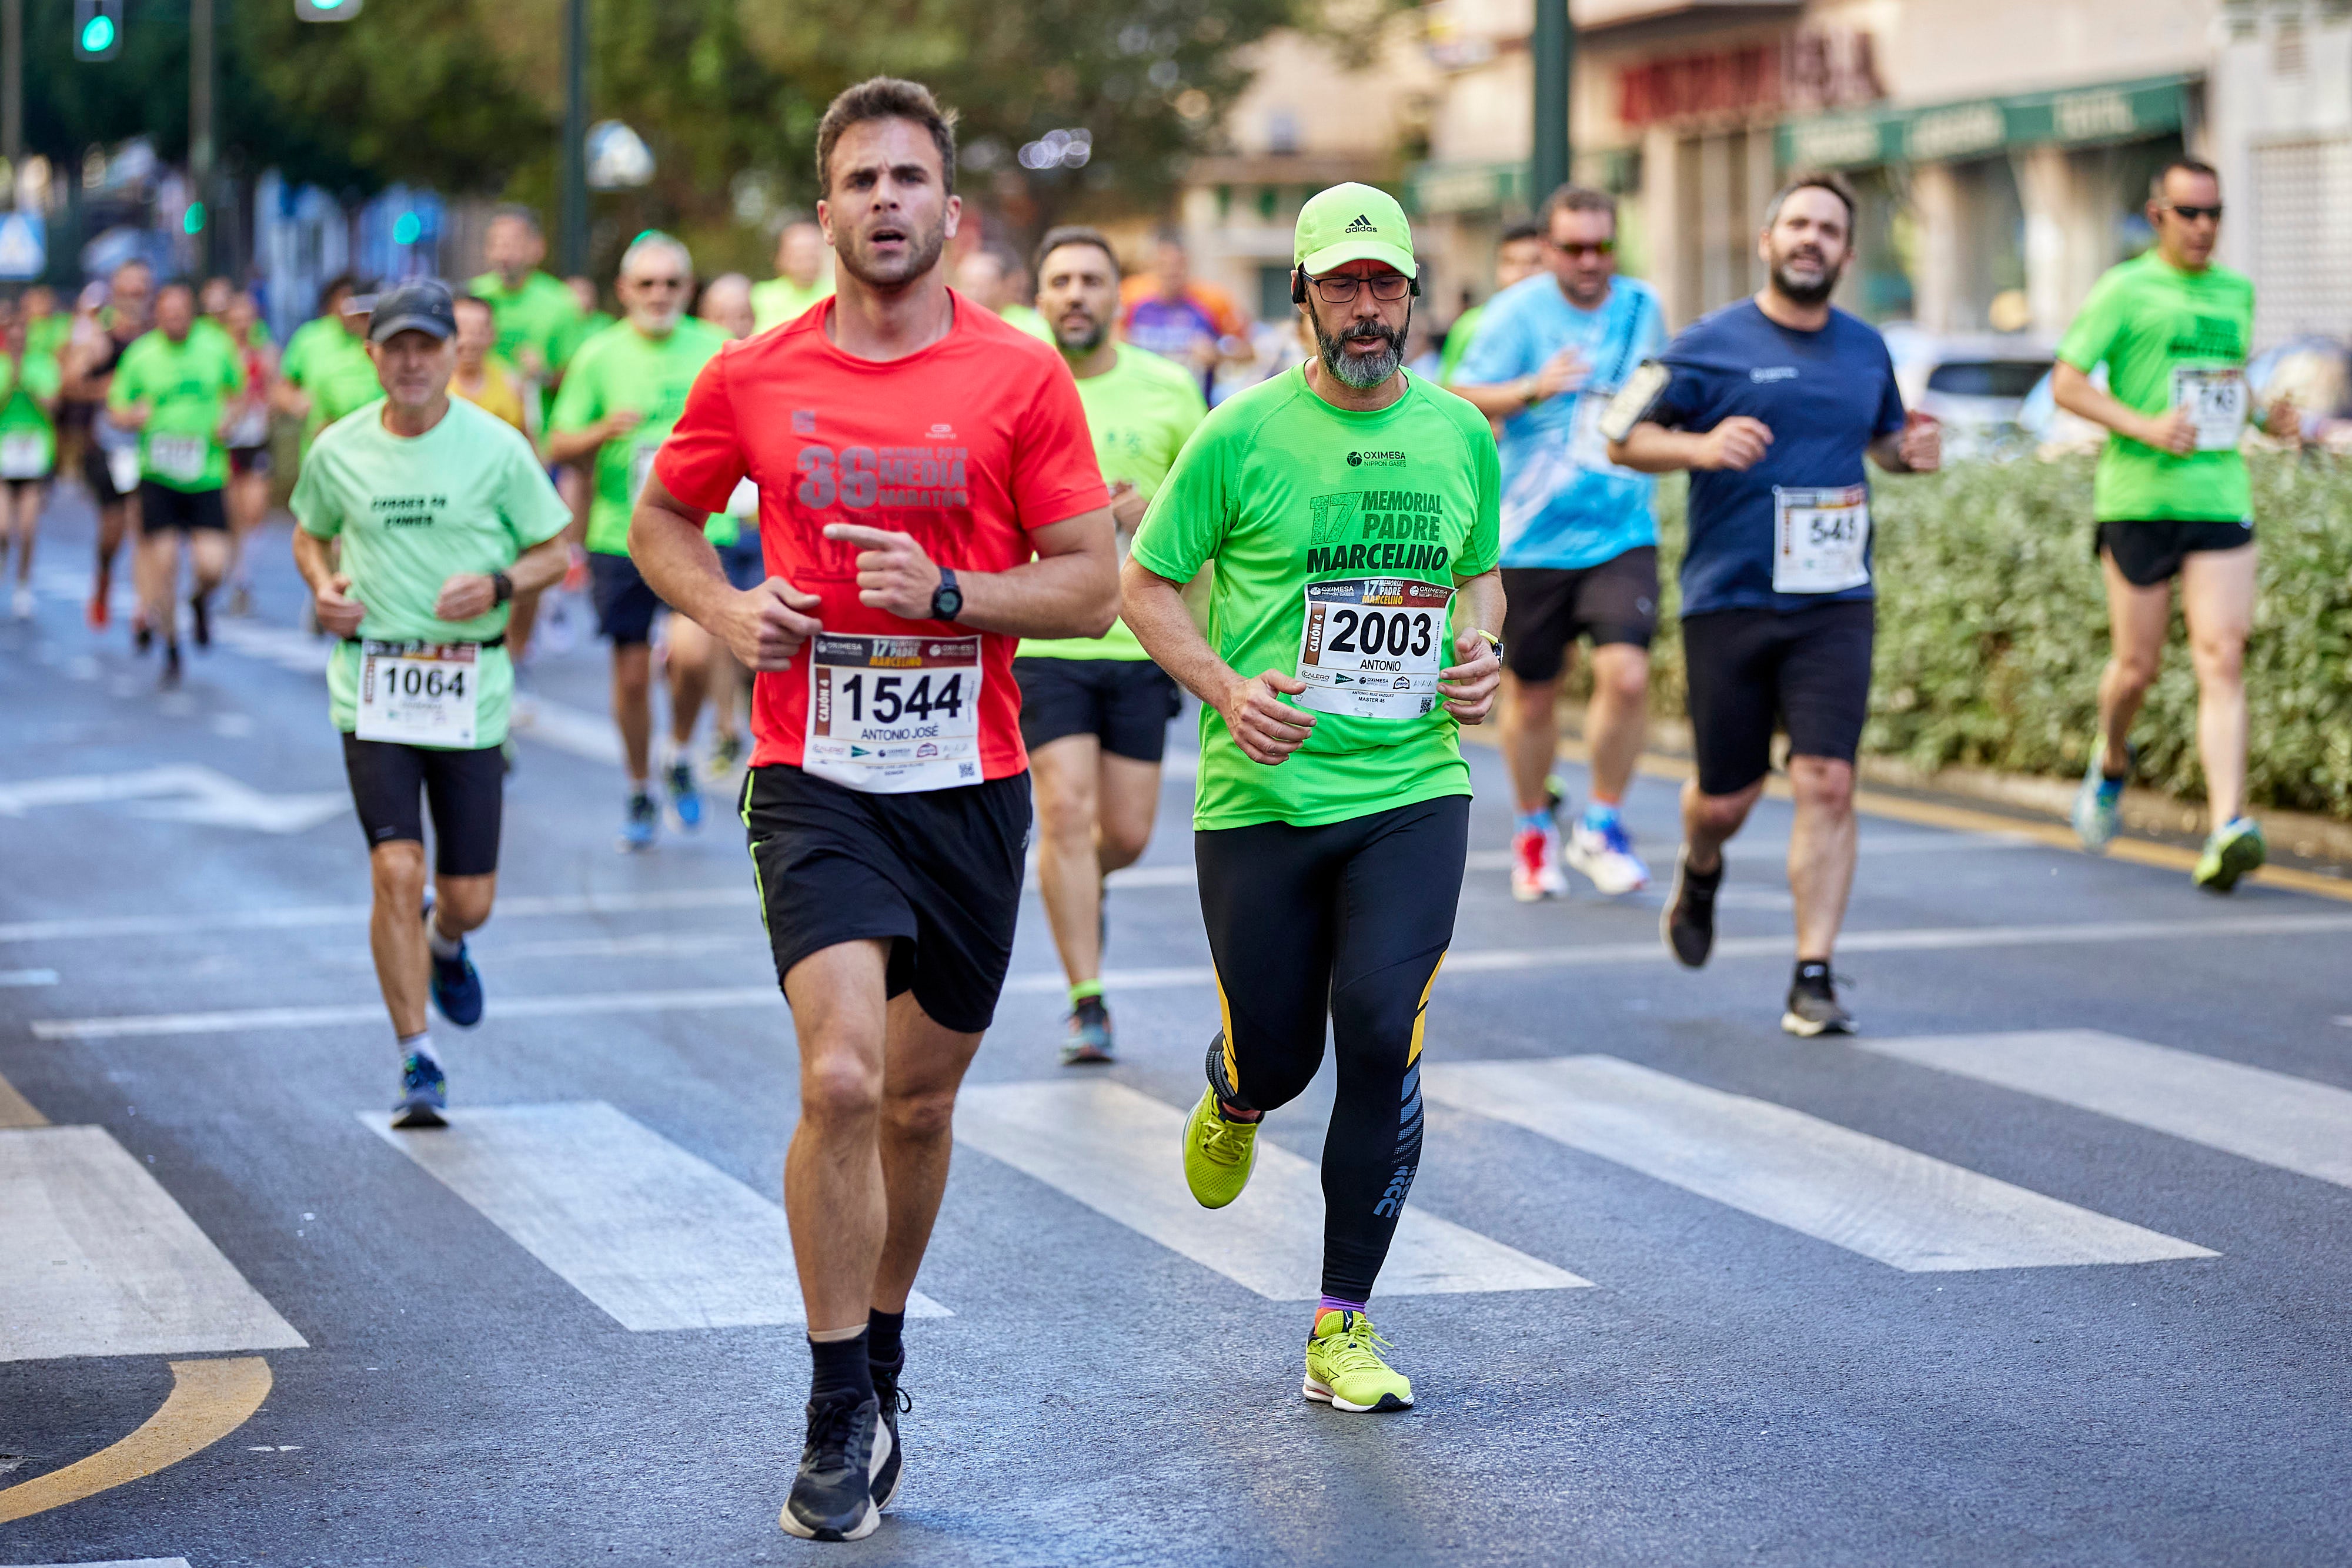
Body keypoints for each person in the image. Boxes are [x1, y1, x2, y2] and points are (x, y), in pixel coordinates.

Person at [629, 76, 1115, 1541]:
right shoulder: (752, 375)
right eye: (861, 181)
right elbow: (662, 516)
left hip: (968, 783)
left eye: (910, 178)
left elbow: (1090, 580)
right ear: (826, 212)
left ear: (949, 214)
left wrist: (954, 594)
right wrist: (720, 604)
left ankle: (885, 1342)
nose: (887, 201)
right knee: (839, 1080)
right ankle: (835, 1405)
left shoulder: (1022, 378)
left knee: (917, 1098)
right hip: (814, 773)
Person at [1122, 182, 1505, 1416]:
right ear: (1299, 297)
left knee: (1381, 1028)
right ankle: (1235, 1085)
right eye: (1339, 285)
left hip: (1410, 784)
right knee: (1282, 1056)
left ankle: (1342, 1320)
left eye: (1382, 284)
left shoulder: (1458, 433)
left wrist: (1480, 652)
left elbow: (1477, 574)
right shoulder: (1236, 437)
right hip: (1263, 795)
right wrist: (1228, 691)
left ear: (1410, 295)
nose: (1363, 307)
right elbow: (1146, 588)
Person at [1606, 172, 1940, 1036]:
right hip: (1733, 599)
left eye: (1828, 229)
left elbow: (1885, 444)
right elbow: (1620, 431)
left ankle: (1813, 972)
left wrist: (1912, 452)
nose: (1810, 239)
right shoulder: (1708, 343)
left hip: (1835, 601)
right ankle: (1702, 859)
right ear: (1768, 240)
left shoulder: (1867, 349)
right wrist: (1701, 444)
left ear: (1847, 253)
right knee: (1729, 795)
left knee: (1828, 779)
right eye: (1797, 223)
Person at [290, 279, 571, 1128]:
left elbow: (555, 550)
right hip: (373, 685)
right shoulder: (337, 449)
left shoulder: (496, 447)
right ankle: (420, 1056)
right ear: (371, 355)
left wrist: (497, 580)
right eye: (395, 346)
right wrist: (322, 583)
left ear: (455, 354)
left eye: (427, 346)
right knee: (394, 869)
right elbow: (310, 529)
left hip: (469, 689)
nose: (411, 361)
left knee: (469, 893)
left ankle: (447, 941)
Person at [2053, 159, 2288, 894]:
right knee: (2137, 669)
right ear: (2157, 216)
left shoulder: (2235, 292)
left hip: (2218, 495)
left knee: (2222, 656)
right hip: (2138, 500)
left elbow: (2227, 383)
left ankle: (2227, 827)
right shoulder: (2123, 290)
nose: (2204, 227)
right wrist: (2144, 427)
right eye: (2189, 213)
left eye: (2214, 212)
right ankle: (2111, 759)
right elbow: (2066, 383)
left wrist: (2263, 416)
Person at [1017, 225, 1206, 1064]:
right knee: (1064, 810)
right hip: (1044, 633)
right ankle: (1086, 998)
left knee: (1123, 833)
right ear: (1041, 296)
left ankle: (1075, 883)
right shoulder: (1015, 382)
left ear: (1115, 296)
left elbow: (1213, 517)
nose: (1076, 295)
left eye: (1091, 280)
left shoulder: (1170, 390)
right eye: (1060, 281)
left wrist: (1145, 515)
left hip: (1141, 641)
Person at [1454, 186, 1666, 901]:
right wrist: (1533, 388)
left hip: (1621, 528)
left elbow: (1662, 387)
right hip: (1531, 534)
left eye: (1601, 247)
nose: (1588, 261)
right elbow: (1460, 398)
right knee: (1535, 700)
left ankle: (1602, 822)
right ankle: (1532, 830)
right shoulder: (1515, 315)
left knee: (1627, 676)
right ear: (1547, 250)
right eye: (1573, 248)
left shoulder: (1642, 307)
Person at [545, 233, 730, 848]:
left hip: (705, 527)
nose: (659, 295)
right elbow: (557, 444)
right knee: (629, 676)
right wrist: (601, 429)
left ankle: (679, 749)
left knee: (695, 655)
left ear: (689, 288)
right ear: (625, 291)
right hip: (619, 536)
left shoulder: (717, 349)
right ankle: (638, 785)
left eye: (671, 284)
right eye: (646, 285)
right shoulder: (599, 354)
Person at [108, 281, 246, 684]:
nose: (174, 322)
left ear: (191, 313)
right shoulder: (141, 354)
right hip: (158, 474)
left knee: (212, 565)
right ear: (158, 316)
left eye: (181, 314)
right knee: (164, 563)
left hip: (205, 472)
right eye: (166, 315)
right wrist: (132, 416)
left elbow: (239, 394)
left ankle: (200, 602)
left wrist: (231, 418)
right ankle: (171, 645)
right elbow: (116, 408)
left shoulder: (216, 346)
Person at [691, 273, 763, 775]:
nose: (733, 325)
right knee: (718, 630)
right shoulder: (694, 373)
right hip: (712, 526)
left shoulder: (772, 371)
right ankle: (724, 727)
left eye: (742, 315)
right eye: (722, 315)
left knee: (761, 629)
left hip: (761, 526)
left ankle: (757, 723)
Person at [63, 261, 154, 630]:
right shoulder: (100, 339)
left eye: (143, 291)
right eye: (130, 291)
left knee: (145, 521)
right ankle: (103, 573)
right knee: (115, 528)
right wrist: (107, 389)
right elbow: (67, 384)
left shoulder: (157, 338)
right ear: (116, 294)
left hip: (150, 444)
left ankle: (143, 604)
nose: (137, 299)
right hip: (111, 446)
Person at [1120, 230, 1251, 401]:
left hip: (1195, 405)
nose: (1170, 272)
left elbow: (1248, 352)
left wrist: (1217, 352)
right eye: (1162, 264)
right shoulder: (1130, 296)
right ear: (1149, 265)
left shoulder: (1213, 300)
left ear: (1188, 263)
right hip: (1142, 404)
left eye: (1177, 265)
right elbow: (1110, 345)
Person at [470, 208, 584, 397]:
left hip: (536, 423)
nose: (503, 254)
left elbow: (577, 378)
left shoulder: (561, 303)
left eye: (513, 244)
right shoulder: (473, 297)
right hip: (480, 416)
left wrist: (544, 375)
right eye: (495, 244)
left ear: (537, 248)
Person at [218, 290, 278, 617]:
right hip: (225, 440)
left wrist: (266, 411)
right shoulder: (218, 352)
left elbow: (273, 389)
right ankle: (237, 575)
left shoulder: (264, 351)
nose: (242, 323)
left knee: (254, 509)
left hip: (254, 437)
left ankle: (243, 572)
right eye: (236, 317)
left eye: (247, 316)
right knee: (232, 513)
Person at [276, 274, 382, 457]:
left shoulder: (386, 343)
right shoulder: (311, 338)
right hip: (324, 455)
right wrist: (296, 403)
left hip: (374, 453)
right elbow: (283, 388)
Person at [2, 306, 64, 619]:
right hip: (3, 457)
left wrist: (29, 385)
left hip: (34, 457)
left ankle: (23, 584)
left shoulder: (42, 364)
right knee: (1, 528)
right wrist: (11, 380)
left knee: (27, 528)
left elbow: (53, 404)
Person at [1438, 219, 1547, 387]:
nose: (1522, 273)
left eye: (1534, 262)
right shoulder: (1471, 326)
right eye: (1510, 262)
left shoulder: (1563, 317)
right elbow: (1449, 393)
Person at [449, 295, 530, 434]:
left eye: (478, 331)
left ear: (493, 334)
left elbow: (527, 439)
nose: (469, 340)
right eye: (462, 331)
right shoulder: (434, 383)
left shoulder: (511, 383)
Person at [750, 216, 834, 333]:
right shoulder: (761, 296)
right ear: (781, 257)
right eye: (799, 257)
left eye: (812, 255)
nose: (807, 263)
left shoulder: (837, 294)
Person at [953, 248, 1054, 341]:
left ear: (1001, 286)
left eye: (984, 286)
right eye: (970, 286)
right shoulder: (951, 324)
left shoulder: (1030, 322)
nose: (977, 293)